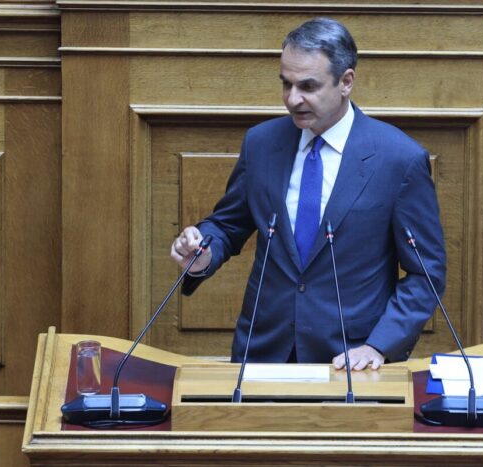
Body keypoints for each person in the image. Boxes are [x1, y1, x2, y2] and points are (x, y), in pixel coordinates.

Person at [171, 17, 446, 371]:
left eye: (308, 86)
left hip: (350, 362)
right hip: (263, 354)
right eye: (286, 84)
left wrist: (380, 345)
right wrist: (203, 252)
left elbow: (426, 273)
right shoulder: (261, 143)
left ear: (346, 81)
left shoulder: (399, 159)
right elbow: (228, 225)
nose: (293, 99)